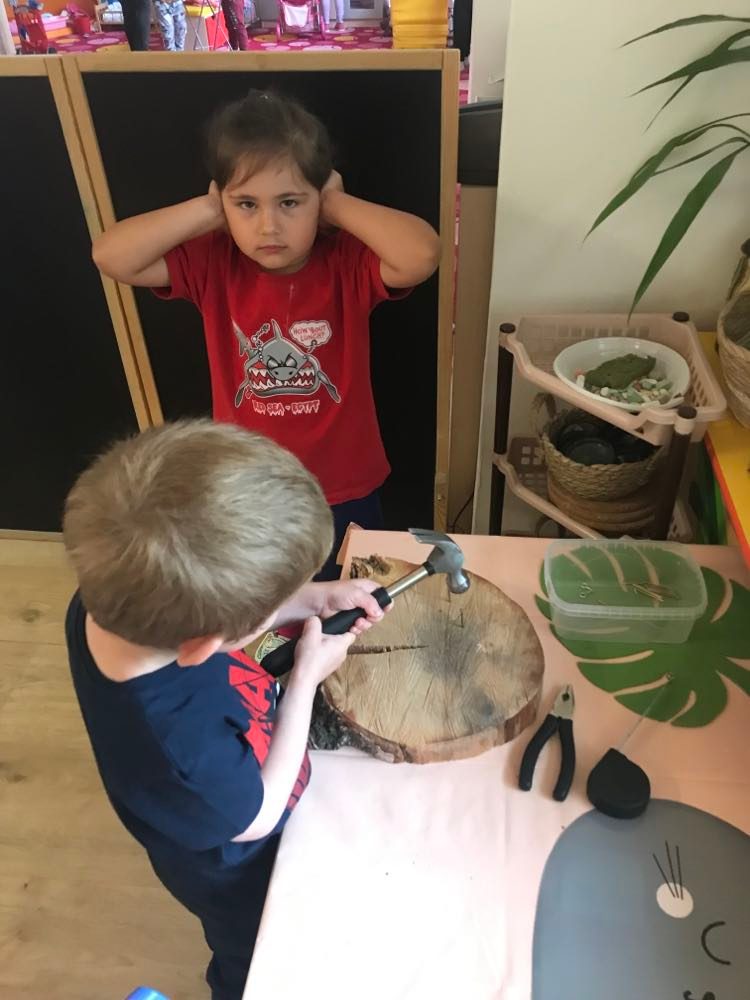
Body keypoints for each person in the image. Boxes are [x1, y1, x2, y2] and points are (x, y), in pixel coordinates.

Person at [63, 419, 388, 1000]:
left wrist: (308, 598)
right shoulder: (183, 759)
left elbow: (212, 613)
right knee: (258, 960)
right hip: (240, 872)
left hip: (231, 784)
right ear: (203, 646)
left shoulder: (112, 599)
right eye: (264, 611)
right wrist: (305, 680)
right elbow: (257, 814)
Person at [92, 90, 440, 579]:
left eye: (290, 202)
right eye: (247, 204)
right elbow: (111, 256)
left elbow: (422, 254)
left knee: (352, 594)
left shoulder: (346, 263)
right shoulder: (214, 264)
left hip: (344, 484)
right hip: (250, 485)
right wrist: (209, 209)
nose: (268, 226)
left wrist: (336, 204)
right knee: (266, 597)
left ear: (318, 200)